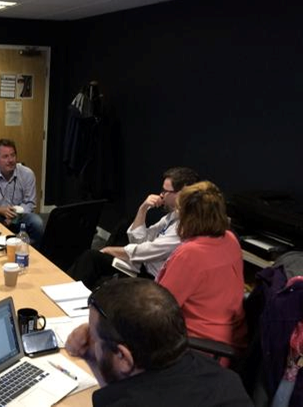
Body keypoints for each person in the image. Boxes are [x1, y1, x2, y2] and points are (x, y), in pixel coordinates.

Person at [65, 278, 253, 406]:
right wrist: (93, 355)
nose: (88, 337)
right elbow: (122, 385)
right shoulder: (225, 379)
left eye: (94, 337)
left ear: (123, 356)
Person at [67, 167, 200, 289]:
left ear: (182, 193)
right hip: (140, 265)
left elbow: (146, 250)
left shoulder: (185, 227)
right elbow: (139, 240)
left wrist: (111, 250)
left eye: (166, 191)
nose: (161, 195)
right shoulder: (173, 216)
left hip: (151, 279)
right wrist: (143, 208)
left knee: (91, 258)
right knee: (120, 229)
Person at [157, 181, 247, 356]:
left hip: (199, 346)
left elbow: (161, 307)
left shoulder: (190, 253)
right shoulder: (230, 239)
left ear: (188, 216)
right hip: (230, 339)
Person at [0, 138, 44, 246]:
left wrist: (14, 217)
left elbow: (30, 203)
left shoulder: (27, 174)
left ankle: (35, 255)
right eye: (5, 156)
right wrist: (2, 211)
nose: (10, 160)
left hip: (20, 215)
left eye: (13, 155)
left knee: (37, 223)